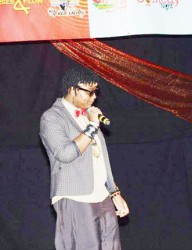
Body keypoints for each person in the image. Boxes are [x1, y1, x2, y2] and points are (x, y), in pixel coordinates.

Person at [40, 67, 129, 250]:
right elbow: (65, 154)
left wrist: (114, 193)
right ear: (72, 90)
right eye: (89, 92)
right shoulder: (51, 118)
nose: (94, 97)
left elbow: (100, 160)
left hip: (102, 196)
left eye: (95, 91)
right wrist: (92, 125)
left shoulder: (89, 116)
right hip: (75, 195)